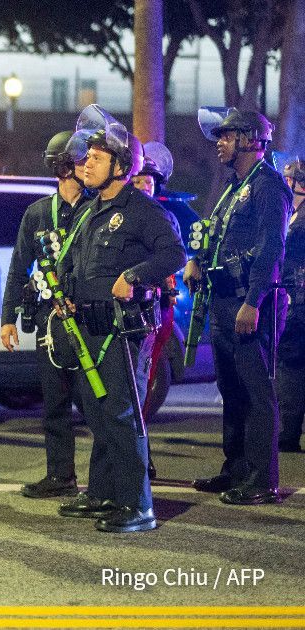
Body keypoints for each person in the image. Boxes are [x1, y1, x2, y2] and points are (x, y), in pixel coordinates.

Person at [58, 105, 185, 532]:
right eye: (85, 156)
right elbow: (79, 266)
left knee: (122, 412)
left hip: (123, 327)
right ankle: (103, 493)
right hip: (88, 325)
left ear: (120, 164)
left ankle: (138, 505)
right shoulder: (89, 210)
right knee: (97, 412)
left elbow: (173, 255)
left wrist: (133, 275)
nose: (85, 163)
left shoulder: (142, 209)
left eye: (95, 157)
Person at [187, 107, 289, 505]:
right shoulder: (235, 184)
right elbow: (215, 232)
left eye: (227, 137)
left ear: (249, 139)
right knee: (231, 389)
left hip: (250, 303)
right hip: (225, 300)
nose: (219, 143)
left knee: (257, 391)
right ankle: (237, 469)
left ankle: (263, 479)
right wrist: (197, 258)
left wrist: (253, 301)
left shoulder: (268, 186)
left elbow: (271, 250)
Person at [0, 130, 91, 499]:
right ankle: (60, 475)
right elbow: (19, 267)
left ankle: (119, 471)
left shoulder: (97, 208)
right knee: (54, 402)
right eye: (84, 160)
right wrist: (8, 318)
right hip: (48, 322)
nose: (90, 165)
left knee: (98, 403)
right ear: (65, 166)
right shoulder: (38, 213)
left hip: (87, 319)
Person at [131, 141, 181, 479]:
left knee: (144, 379)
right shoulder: (120, 217)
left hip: (156, 306)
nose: (143, 186)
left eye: (148, 182)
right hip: (128, 304)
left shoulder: (163, 217)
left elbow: (173, 260)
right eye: (138, 181)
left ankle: (140, 450)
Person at [277, 157, 305, 453]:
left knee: (290, 366)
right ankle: (289, 430)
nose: (285, 187)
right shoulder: (292, 216)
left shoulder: (300, 222)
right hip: (294, 301)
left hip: (299, 305)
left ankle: (288, 432)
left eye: (289, 181)